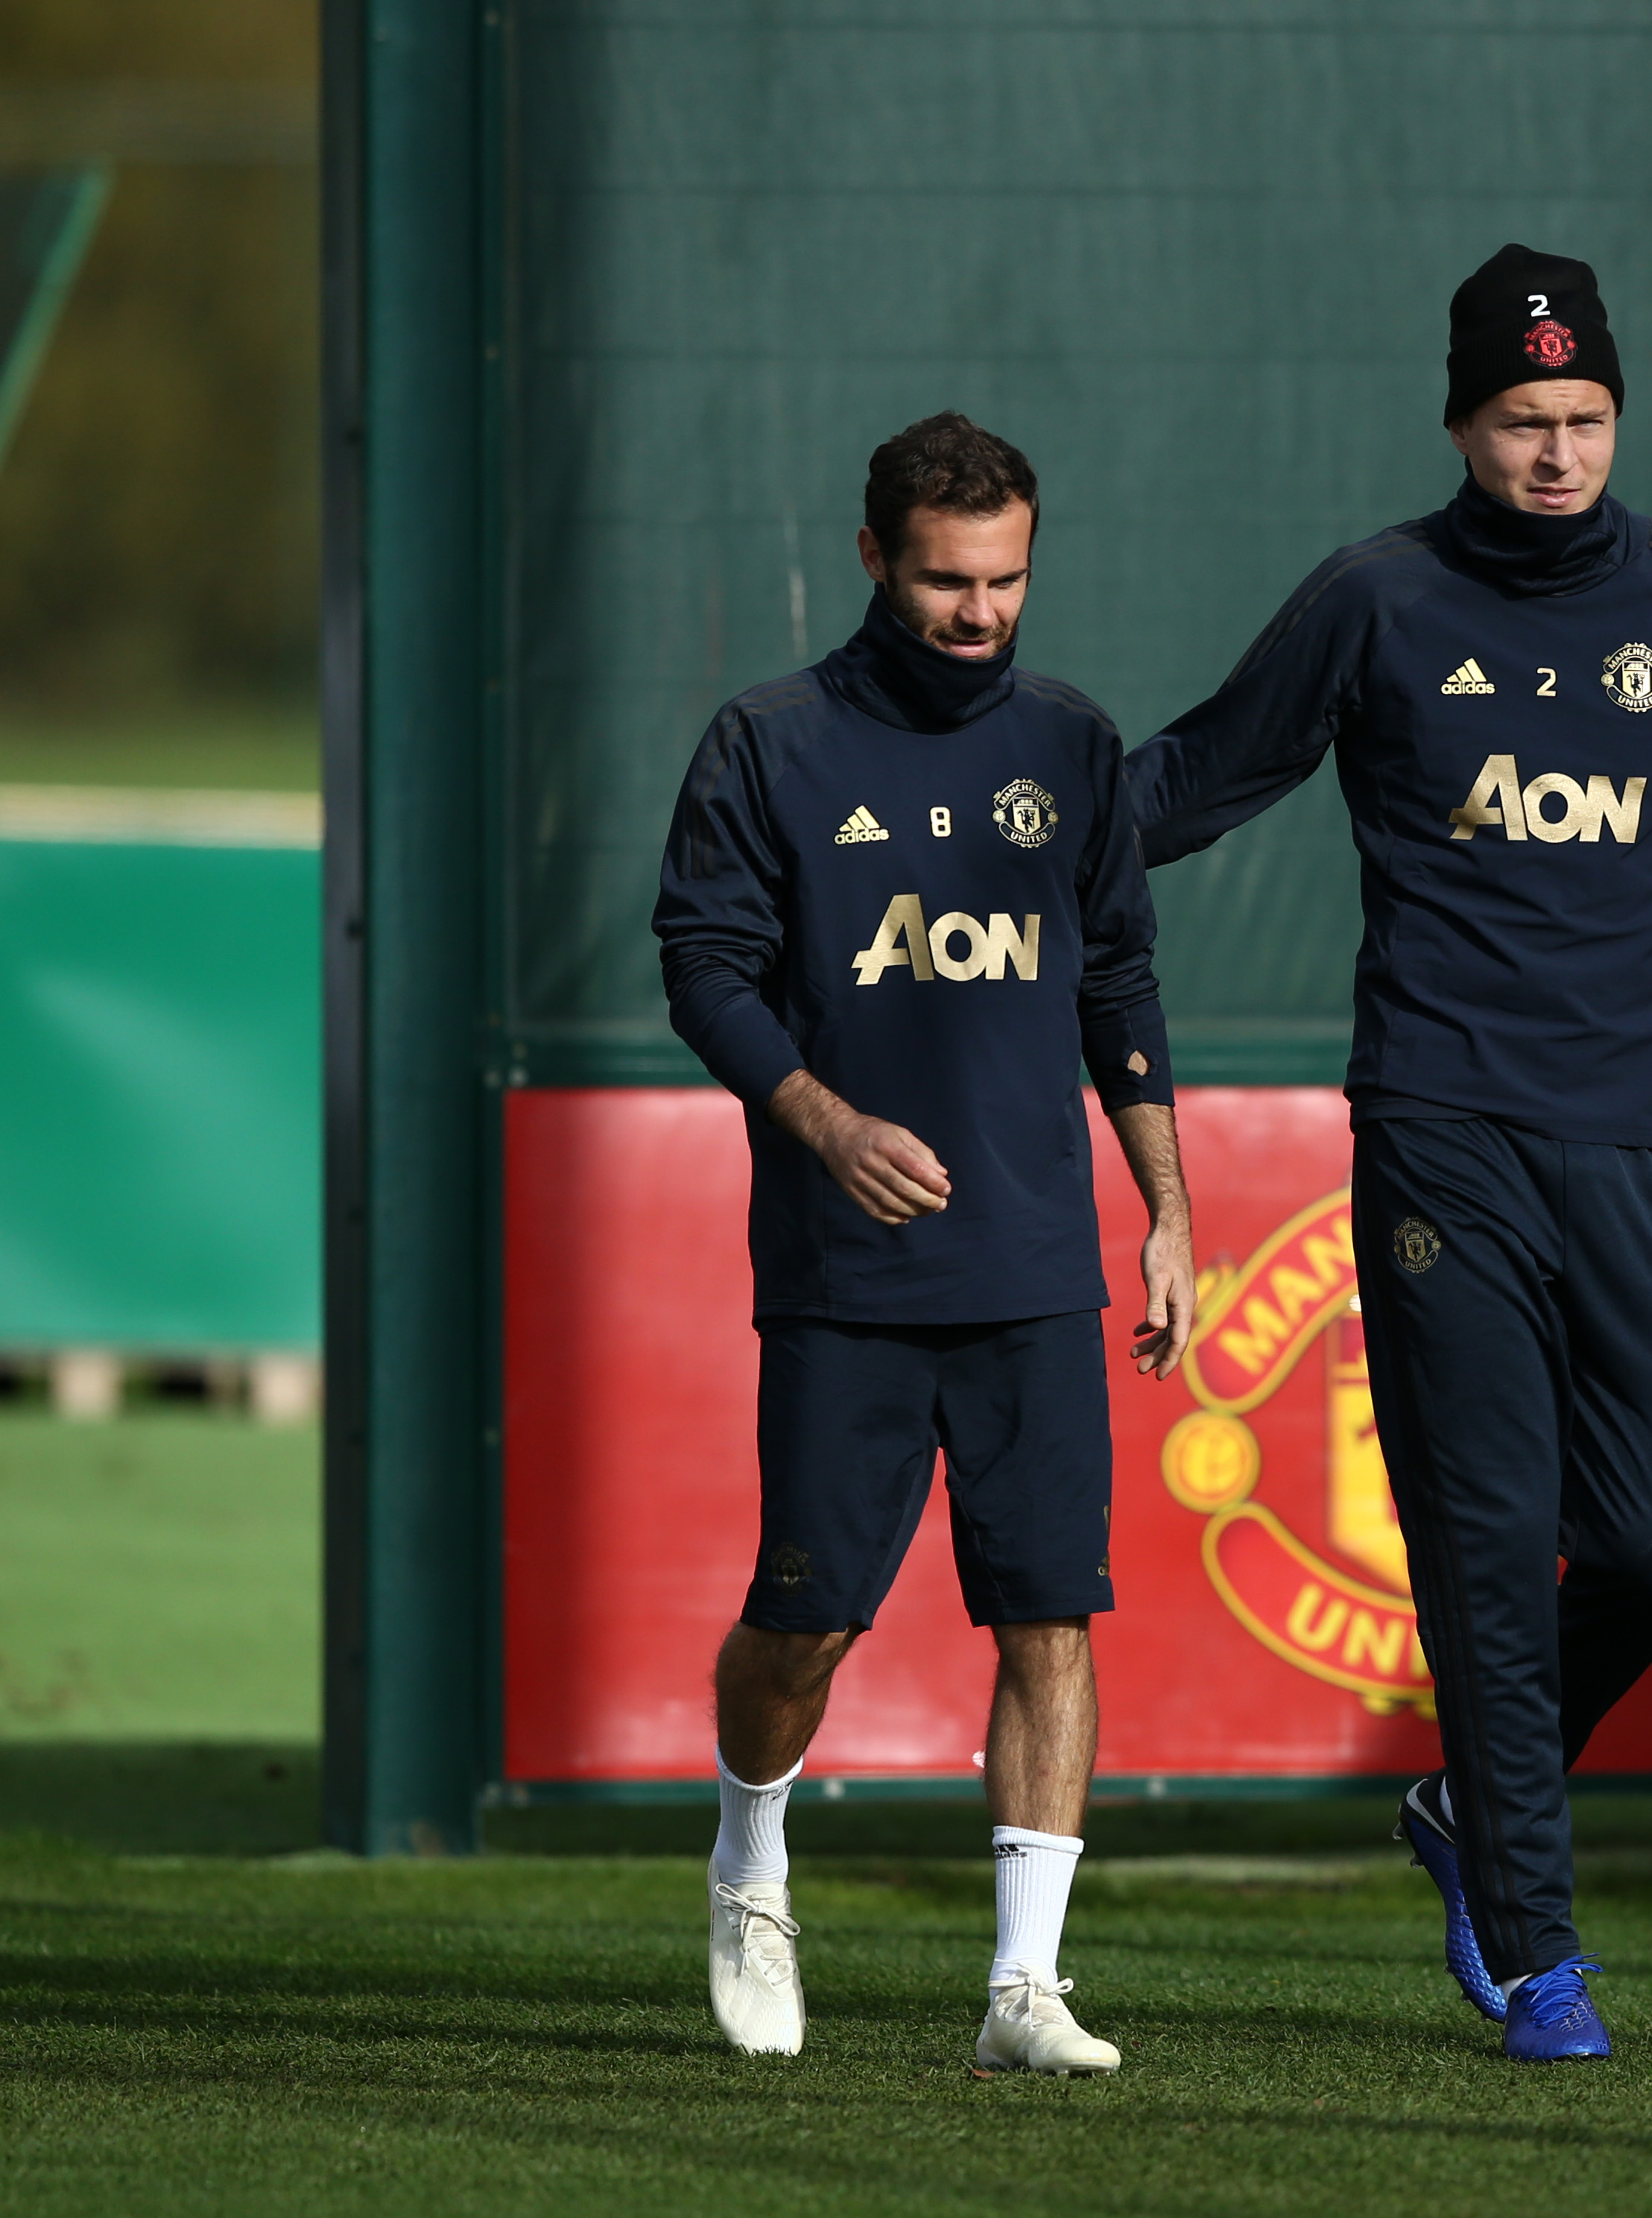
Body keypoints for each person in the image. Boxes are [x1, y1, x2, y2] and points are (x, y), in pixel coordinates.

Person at [1125, 247, 1652, 2062]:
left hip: (1630, 1147)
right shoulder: (1375, 601)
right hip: (1440, 1141)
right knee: (1485, 1553)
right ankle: (1543, 1957)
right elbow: (1199, 775)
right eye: (1520, 421)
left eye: (1584, 419)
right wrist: (1014, 822)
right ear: (1462, 423)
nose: (1556, 452)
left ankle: (1473, 1808)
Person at [652, 411, 1194, 2076]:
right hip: (850, 1275)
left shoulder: (1072, 743)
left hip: (1036, 1268)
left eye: (1008, 580)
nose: (979, 611)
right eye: (948, 579)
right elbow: (704, 969)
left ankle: (1024, 1988)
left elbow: (1115, 982)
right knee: (806, 1627)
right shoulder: (771, 742)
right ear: (878, 554)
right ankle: (751, 1857)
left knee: (1050, 1618)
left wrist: (1168, 1205)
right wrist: (823, 1123)